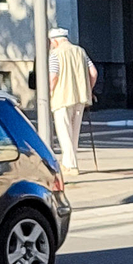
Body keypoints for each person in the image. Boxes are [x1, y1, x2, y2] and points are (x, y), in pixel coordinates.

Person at [46, 26, 97, 176]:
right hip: (81, 97)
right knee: (74, 133)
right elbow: (93, 73)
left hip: (62, 97)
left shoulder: (55, 54)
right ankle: (71, 163)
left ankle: (70, 165)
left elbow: (53, 77)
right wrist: (89, 89)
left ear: (54, 41)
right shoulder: (80, 51)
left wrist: (48, 93)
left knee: (64, 132)